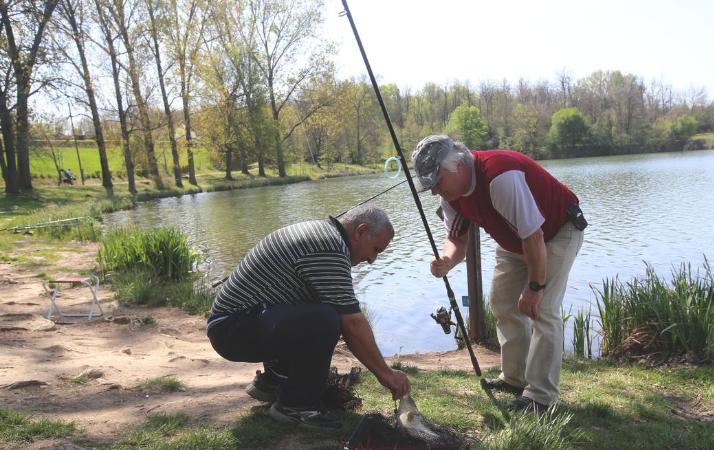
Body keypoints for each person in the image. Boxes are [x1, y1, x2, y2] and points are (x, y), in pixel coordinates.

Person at [412, 135, 586, 413]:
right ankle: (515, 379)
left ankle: (541, 397)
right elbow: (457, 239)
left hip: (556, 232)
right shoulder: (452, 195)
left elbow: (534, 236)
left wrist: (535, 286)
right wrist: (447, 260)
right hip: (516, 240)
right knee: (503, 303)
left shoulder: (500, 176)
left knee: (544, 310)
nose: (434, 191)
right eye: (428, 185)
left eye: (437, 181)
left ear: (457, 166)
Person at [207, 204, 411, 428]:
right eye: (375, 250)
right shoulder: (329, 246)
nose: (372, 260)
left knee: (319, 310)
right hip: (232, 329)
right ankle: (295, 405)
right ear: (361, 231)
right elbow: (352, 322)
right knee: (326, 319)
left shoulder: (325, 234)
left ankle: (275, 382)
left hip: (238, 323)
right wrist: (386, 374)